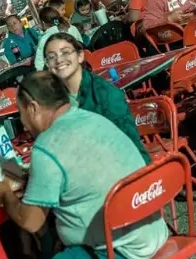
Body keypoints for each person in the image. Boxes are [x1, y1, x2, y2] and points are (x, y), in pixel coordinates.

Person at [0, 72, 168, 259]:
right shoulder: (94, 119)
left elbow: (31, 222)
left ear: (33, 107)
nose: (24, 123)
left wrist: (5, 194)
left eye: (21, 114)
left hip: (116, 254)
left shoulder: (47, 147)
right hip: (153, 229)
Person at [41, 33, 149, 162]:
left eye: (65, 52)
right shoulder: (54, 99)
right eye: (51, 57)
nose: (59, 60)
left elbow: (128, 146)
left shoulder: (105, 93)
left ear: (80, 56)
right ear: (47, 64)